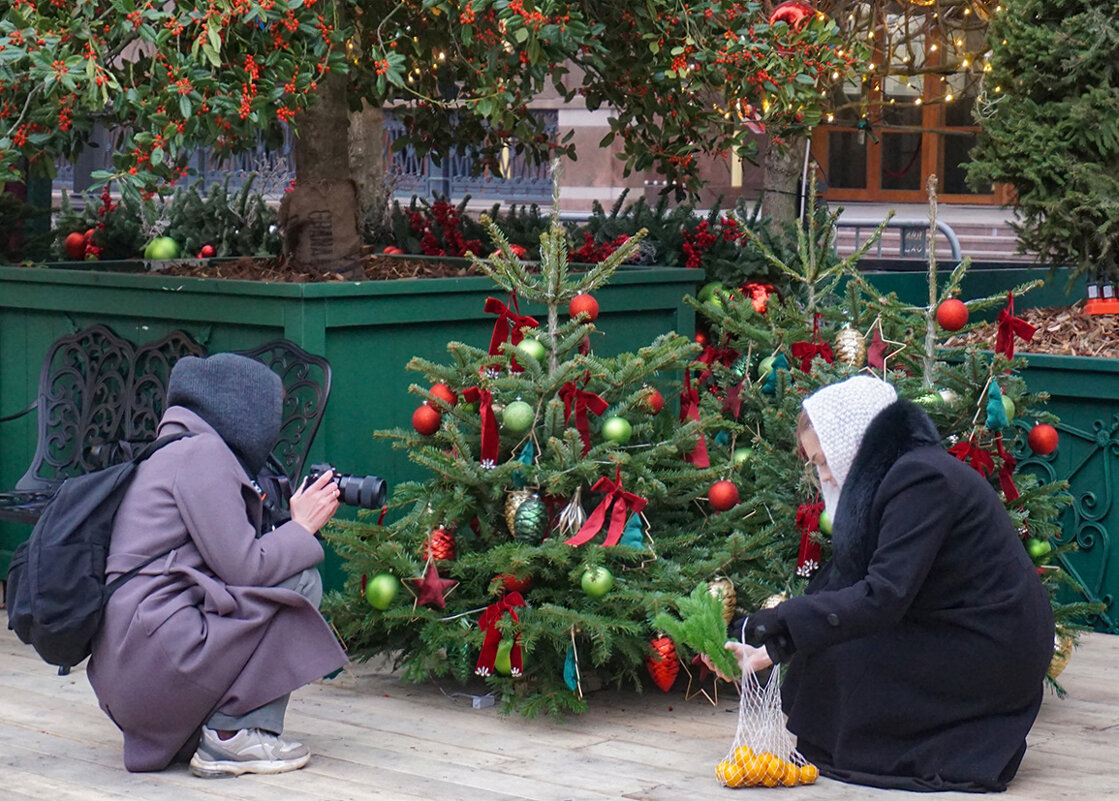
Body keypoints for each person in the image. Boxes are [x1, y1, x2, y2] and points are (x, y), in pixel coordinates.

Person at [717, 375, 1054, 792]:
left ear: (850, 448)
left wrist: (778, 621)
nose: (824, 477)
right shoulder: (898, 475)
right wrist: (773, 646)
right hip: (951, 622)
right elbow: (845, 589)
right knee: (826, 641)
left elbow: (882, 597)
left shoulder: (921, 479)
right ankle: (851, 748)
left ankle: (916, 751)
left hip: (991, 643)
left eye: (824, 462)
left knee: (841, 651)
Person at [87, 353, 348, 777]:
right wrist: (301, 527)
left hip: (132, 677)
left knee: (275, 576)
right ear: (244, 411)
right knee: (298, 579)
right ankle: (232, 737)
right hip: (157, 662)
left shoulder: (170, 451)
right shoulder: (202, 454)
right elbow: (247, 569)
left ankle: (208, 729)